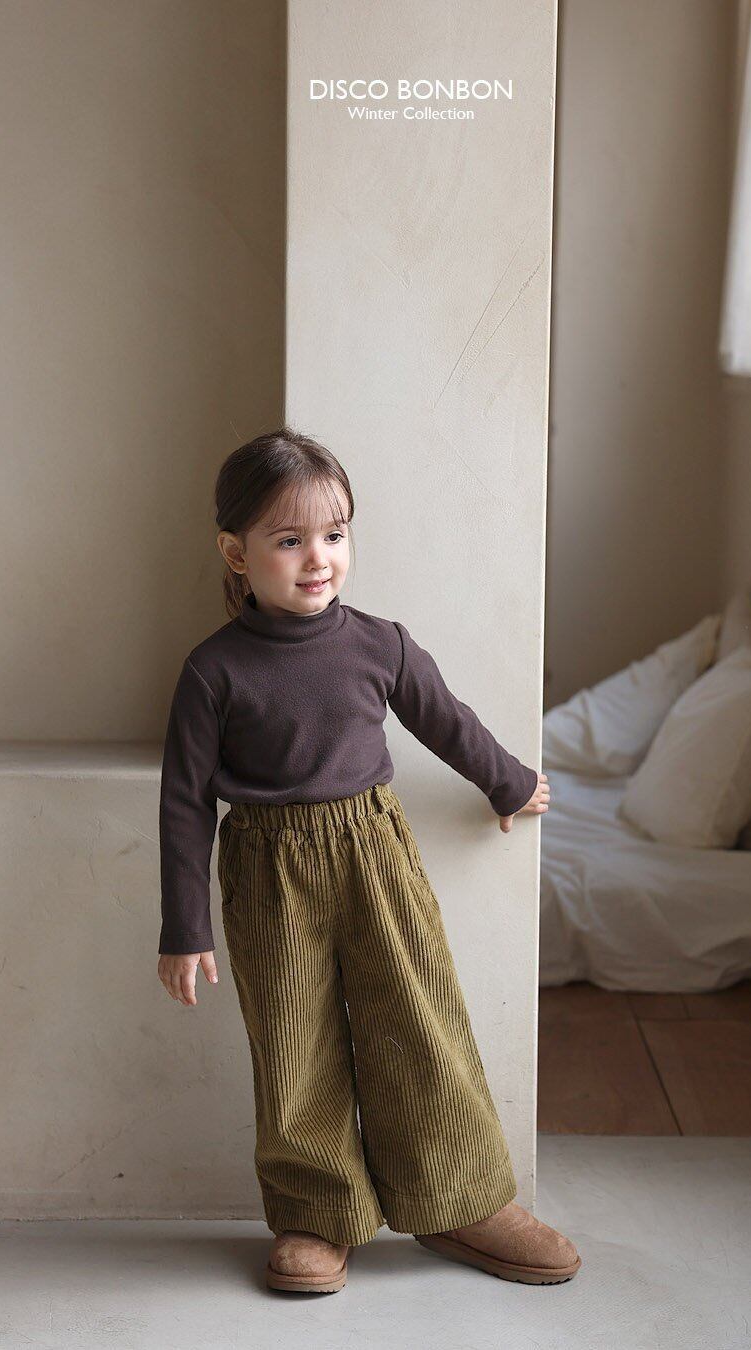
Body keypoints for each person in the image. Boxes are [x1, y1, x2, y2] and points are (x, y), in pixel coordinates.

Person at [157, 426, 581, 1294]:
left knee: (418, 1018)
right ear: (236, 553)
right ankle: (318, 1214)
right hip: (268, 869)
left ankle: (459, 1199)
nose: (318, 558)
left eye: (335, 533)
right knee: (294, 1039)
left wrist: (507, 783)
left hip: (374, 851)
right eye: (289, 539)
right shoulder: (213, 672)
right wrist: (184, 927)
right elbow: (184, 802)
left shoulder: (379, 643)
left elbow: (446, 719)